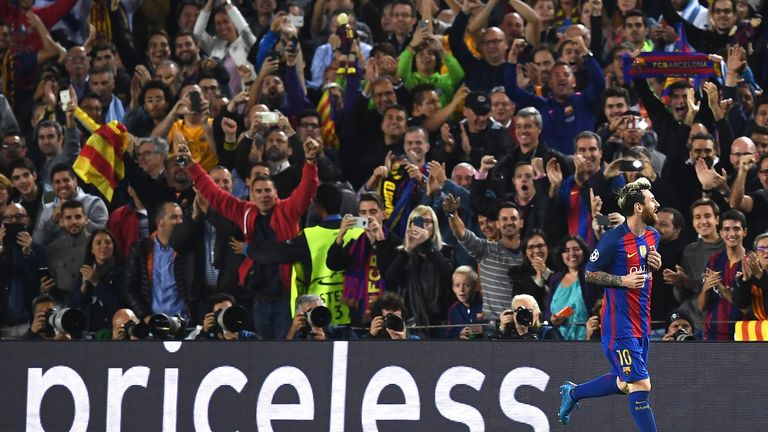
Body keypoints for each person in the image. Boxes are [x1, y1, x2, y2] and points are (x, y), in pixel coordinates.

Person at [559, 177, 661, 431]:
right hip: (619, 326)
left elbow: (646, 269)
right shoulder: (613, 240)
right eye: (651, 201)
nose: (657, 205)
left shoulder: (653, 236)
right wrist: (622, 281)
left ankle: (573, 393)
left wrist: (655, 264)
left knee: (624, 383)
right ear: (638, 207)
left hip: (642, 323)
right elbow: (590, 273)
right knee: (641, 385)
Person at [327, 193, 400, 327]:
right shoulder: (355, 244)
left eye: (373, 212)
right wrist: (341, 235)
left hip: (388, 315)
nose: (368, 217)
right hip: (359, 316)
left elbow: (390, 274)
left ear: (383, 214)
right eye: (363, 212)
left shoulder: (395, 243)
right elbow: (333, 264)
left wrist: (379, 239)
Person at [384, 205, 454, 337]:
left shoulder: (446, 251)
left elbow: (449, 276)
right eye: (418, 222)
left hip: (439, 323)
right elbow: (389, 280)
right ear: (410, 226)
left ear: (435, 226)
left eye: (427, 222)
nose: (423, 226)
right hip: (410, 323)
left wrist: (427, 244)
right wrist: (407, 250)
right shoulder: (400, 252)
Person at [698, 209, 748, 341]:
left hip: (742, 336)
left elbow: (748, 309)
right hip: (711, 335)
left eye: (736, 229)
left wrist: (721, 288)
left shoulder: (751, 263)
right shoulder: (713, 261)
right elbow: (701, 306)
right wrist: (706, 288)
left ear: (745, 232)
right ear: (721, 233)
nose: (731, 234)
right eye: (726, 229)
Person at [70, 228, 124, 338]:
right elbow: (72, 308)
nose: (104, 246)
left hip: (111, 333)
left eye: (108, 242)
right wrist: (82, 290)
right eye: (98, 243)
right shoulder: (84, 273)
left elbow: (118, 309)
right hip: (85, 333)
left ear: (113, 247)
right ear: (92, 249)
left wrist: (97, 283)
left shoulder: (123, 273)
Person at [546, 235, 599, 341]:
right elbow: (548, 310)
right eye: (566, 250)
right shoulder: (555, 279)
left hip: (586, 339)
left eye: (576, 249)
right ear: (561, 254)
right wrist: (551, 319)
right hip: (558, 340)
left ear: (583, 251)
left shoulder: (590, 276)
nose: (571, 254)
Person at [497, 293, 563, 340]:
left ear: (537, 313)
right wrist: (502, 330)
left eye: (528, 310)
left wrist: (523, 334)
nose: (524, 314)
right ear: (512, 314)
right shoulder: (510, 333)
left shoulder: (548, 333)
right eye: (518, 310)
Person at [445, 265, 484, 339]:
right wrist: (459, 335)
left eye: (466, 285)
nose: (461, 289)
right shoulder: (453, 310)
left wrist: (485, 330)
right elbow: (449, 335)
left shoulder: (485, 306)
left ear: (475, 287)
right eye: (457, 285)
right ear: (453, 288)